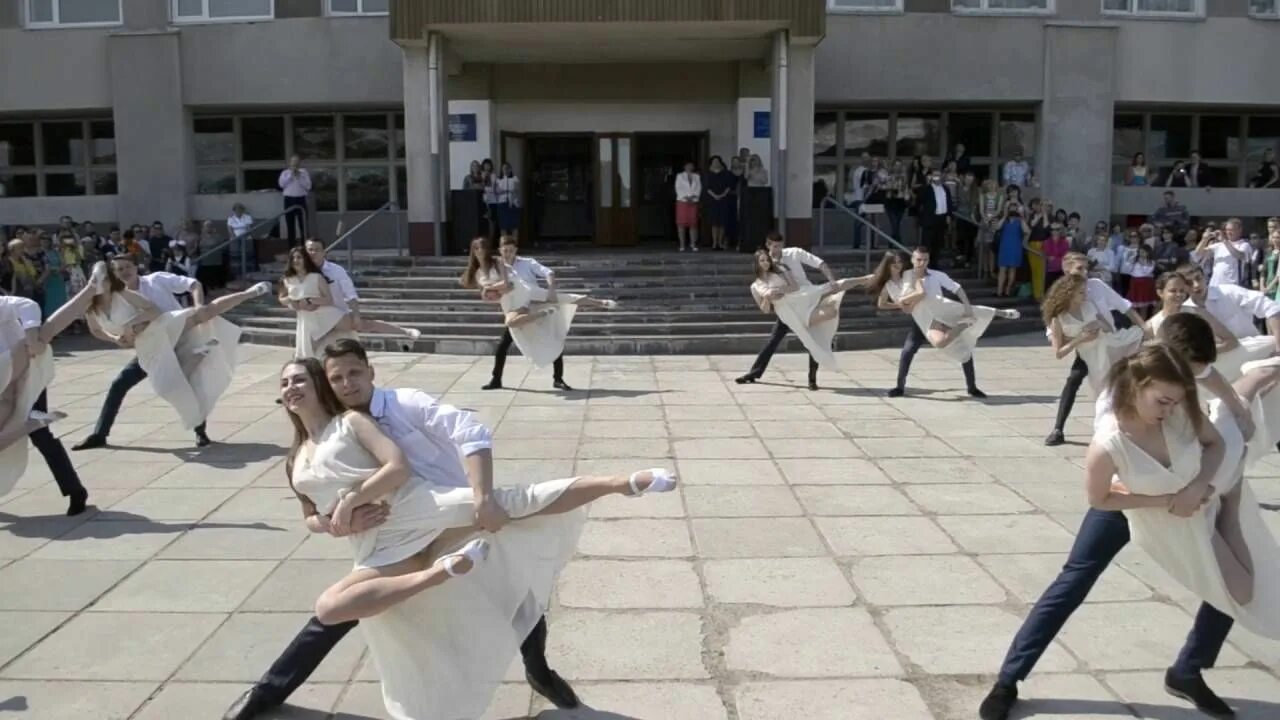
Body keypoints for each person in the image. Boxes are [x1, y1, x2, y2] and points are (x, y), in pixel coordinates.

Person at [267, 351, 677, 720]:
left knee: (517, 579)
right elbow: (311, 512)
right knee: (338, 614)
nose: (347, 384)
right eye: (337, 378)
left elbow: (463, 436)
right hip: (385, 539)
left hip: (447, 509)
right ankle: (267, 692)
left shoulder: (394, 407)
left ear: (371, 372)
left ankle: (621, 485)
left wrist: (482, 499)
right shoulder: (309, 445)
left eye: (354, 374)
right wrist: (338, 522)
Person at [981, 316, 1255, 720]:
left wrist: (1208, 468)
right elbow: (1103, 493)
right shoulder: (1114, 417)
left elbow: (1211, 391)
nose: (1179, 398)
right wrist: (1161, 499)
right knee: (1073, 581)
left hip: (1181, 492)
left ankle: (1187, 671)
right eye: (1169, 395)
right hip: (1131, 496)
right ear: (1152, 371)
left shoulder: (1177, 396)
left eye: (1184, 387)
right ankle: (1007, 680)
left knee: (1226, 584)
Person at [70, 256, 272, 451]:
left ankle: (250, 293)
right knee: (126, 384)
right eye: (118, 269)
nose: (124, 272)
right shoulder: (100, 302)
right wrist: (117, 338)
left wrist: (196, 304)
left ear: (135, 267)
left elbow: (179, 293)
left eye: (127, 267)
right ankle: (99, 434)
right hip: (151, 348)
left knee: (203, 317)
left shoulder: (150, 282)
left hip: (173, 331)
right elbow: (97, 330)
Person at [465, 236, 616, 392]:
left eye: (511, 250)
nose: (508, 253)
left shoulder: (527, 263)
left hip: (535, 303)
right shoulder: (496, 265)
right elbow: (495, 291)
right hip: (516, 308)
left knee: (555, 335)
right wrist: (490, 292)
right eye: (505, 250)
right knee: (503, 345)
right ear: (500, 250)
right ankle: (496, 379)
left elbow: (547, 273)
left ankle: (558, 379)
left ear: (516, 250)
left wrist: (551, 290)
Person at [0, 283, 98, 515]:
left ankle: (75, 490)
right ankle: (91, 289)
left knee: (40, 436)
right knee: (38, 432)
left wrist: (32, 333)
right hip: (17, 371)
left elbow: (27, 304)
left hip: (24, 366)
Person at [879, 247, 1015, 399]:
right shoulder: (907, 275)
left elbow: (958, 289)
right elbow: (902, 299)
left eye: (925, 259)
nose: (922, 263)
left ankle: (972, 387)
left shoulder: (937, 275)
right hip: (921, 320)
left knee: (963, 349)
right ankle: (899, 387)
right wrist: (901, 303)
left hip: (940, 317)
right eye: (918, 259)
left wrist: (968, 308)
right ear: (912, 260)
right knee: (907, 351)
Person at [1044, 251, 1150, 446]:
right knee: (1075, 379)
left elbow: (1124, 307)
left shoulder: (1097, 286)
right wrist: (1080, 337)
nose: (1084, 272)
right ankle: (1058, 429)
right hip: (1085, 347)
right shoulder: (1059, 297)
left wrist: (1144, 327)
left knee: (1124, 379)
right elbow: (1056, 336)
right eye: (1079, 268)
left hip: (1108, 342)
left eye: (1086, 268)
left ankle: (1128, 425)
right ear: (1066, 269)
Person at [748, 249, 872, 391]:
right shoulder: (755, 286)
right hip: (787, 313)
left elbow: (794, 286)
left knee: (828, 290)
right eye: (762, 261)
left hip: (798, 298)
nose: (765, 263)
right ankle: (754, 372)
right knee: (812, 332)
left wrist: (780, 291)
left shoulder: (780, 269)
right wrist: (767, 297)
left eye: (766, 260)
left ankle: (863, 280)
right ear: (757, 264)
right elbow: (765, 310)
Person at [734, 232, 838, 385]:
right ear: (767, 245)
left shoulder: (794, 253)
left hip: (806, 300)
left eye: (779, 246)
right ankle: (754, 372)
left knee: (812, 338)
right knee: (774, 339)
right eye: (773, 246)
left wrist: (832, 280)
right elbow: (762, 283)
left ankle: (812, 378)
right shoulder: (766, 262)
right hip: (786, 306)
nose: (777, 249)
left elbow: (819, 263)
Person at [303, 239, 419, 348]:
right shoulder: (301, 271)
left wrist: (356, 314)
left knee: (367, 325)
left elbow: (350, 294)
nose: (313, 253)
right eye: (310, 250)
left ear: (324, 252)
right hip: (314, 317)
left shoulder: (336, 270)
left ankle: (405, 331)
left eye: (317, 249)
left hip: (337, 314)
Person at [1177, 262, 1280, 382]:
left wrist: (1279, 348)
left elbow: (1271, 308)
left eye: (1198, 278)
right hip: (1218, 365)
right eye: (1189, 283)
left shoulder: (1228, 292)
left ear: (1204, 277)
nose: (1196, 285)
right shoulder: (1185, 310)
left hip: (1252, 354)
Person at [1042, 274, 1144, 394]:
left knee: (1140, 338)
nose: (1086, 295)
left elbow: (1110, 329)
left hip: (1110, 345)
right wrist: (1080, 338)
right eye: (1081, 292)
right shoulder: (1058, 319)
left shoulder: (1089, 305)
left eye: (1085, 291)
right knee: (1105, 390)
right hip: (1092, 357)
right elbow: (1058, 353)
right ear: (1069, 293)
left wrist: (1098, 324)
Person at [281, 247, 355, 360]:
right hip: (305, 318)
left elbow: (328, 299)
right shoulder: (287, 279)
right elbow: (281, 299)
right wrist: (291, 301)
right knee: (308, 352)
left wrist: (310, 300)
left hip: (324, 315)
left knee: (347, 332)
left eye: (299, 257)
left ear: (306, 259)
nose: (296, 260)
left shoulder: (316, 277)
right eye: (293, 258)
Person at [1193, 219, 1253, 288]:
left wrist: (1224, 241)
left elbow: (1239, 255)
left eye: (1231, 230)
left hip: (1232, 286)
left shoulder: (1244, 245)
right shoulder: (1219, 245)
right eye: (1227, 230)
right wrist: (1204, 239)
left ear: (1239, 230)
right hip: (1215, 285)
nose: (1228, 232)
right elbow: (1198, 253)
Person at [915, 168, 952, 259]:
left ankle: (935, 264)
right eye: (935, 175)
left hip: (941, 219)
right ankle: (925, 264)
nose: (937, 177)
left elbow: (949, 203)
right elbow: (919, 201)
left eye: (939, 175)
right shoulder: (926, 189)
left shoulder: (946, 189)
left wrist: (949, 215)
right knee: (927, 244)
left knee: (938, 244)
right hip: (929, 220)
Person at [995, 202, 1029, 298]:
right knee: (1002, 269)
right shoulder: (1004, 220)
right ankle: (999, 291)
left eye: (1015, 208)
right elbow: (997, 227)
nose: (1013, 211)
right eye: (1011, 208)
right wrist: (1005, 216)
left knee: (1012, 269)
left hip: (1015, 246)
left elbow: (1027, 230)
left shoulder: (1020, 221)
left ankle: (1007, 290)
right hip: (1004, 246)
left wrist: (1021, 218)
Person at [279, 155, 312, 244]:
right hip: (289, 199)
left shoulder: (304, 172)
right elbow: (282, 185)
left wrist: (299, 177)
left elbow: (308, 186)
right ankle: (292, 247)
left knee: (303, 224)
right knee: (290, 224)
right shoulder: (285, 173)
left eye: (297, 161)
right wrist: (291, 175)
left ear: (299, 163)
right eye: (293, 162)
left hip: (301, 199)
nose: (295, 163)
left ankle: (304, 245)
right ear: (290, 163)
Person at [976, 178, 1004, 281]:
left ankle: (992, 270)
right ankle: (985, 270)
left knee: (992, 248)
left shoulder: (999, 196)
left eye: (994, 184)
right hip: (985, 221)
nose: (992, 186)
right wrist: (985, 218)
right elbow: (981, 210)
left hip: (994, 221)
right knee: (984, 248)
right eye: (990, 185)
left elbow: (999, 209)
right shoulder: (983, 196)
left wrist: (992, 217)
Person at [704, 156, 734, 251]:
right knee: (714, 222)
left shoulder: (726, 173)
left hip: (724, 199)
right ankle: (714, 242)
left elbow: (729, 186)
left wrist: (722, 195)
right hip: (712, 200)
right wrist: (715, 196)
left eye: (717, 161)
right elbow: (707, 187)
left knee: (722, 222)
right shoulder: (708, 174)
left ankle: (720, 242)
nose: (716, 163)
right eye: (714, 161)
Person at [674, 161, 701, 252]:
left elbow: (699, 188)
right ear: (684, 166)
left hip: (693, 202)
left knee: (693, 224)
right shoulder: (680, 176)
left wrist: (694, 196)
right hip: (682, 201)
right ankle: (682, 245)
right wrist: (686, 197)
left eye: (691, 165)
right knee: (681, 224)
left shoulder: (697, 176)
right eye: (687, 165)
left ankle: (693, 244)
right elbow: (678, 187)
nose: (689, 166)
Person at [1126, 244, 1157, 317]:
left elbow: (1147, 272)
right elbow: (1128, 269)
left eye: (1144, 252)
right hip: (1134, 283)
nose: (1141, 253)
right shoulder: (1134, 259)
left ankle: (1143, 322)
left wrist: (1142, 263)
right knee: (1133, 304)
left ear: (1148, 253)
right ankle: (1135, 323)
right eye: (1140, 252)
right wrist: (1128, 259)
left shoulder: (1151, 262)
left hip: (1145, 284)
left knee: (1144, 305)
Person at [495, 162, 521, 240]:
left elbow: (516, 190)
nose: (506, 170)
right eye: (504, 168)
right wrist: (509, 190)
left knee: (514, 226)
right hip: (502, 203)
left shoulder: (514, 178)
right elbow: (497, 191)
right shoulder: (498, 179)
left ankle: (514, 244)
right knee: (503, 226)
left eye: (507, 168)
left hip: (513, 203)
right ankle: (504, 245)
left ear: (510, 169)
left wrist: (507, 192)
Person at [227, 203, 256, 273]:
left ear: (242, 210)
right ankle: (237, 272)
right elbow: (230, 229)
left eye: (240, 209)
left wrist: (244, 237)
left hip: (246, 239)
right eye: (236, 210)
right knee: (236, 256)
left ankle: (248, 272)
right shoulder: (231, 218)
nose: (238, 211)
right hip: (235, 239)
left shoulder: (247, 217)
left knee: (247, 256)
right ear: (234, 211)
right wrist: (235, 237)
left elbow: (249, 228)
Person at [1041, 222, 1070, 290]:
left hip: (1061, 271)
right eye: (1052, 229)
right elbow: (1046, 257)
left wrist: (1054, 258)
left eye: (1057, 229)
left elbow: (1065, 257)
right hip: (1050, 271)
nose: (1054, 231)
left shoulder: (1065, 242)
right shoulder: (1046, 242)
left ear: (1060, 230)